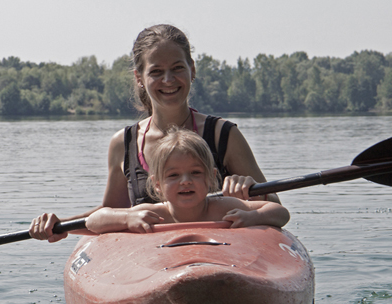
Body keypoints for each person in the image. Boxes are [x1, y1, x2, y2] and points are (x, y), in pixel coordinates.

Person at [30, 24, 279, 242]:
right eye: (156, 72)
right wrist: (61, 225)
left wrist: (254, 188)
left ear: (192, 69)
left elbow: (275, 207)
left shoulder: (223, 134)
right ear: (139, 77)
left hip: (222, 258)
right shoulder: (123, 143)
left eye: (177, 68)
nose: (168, 80)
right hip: (150, 262)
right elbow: (110, 213)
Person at [85, 128, 289, 234]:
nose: (185, 181)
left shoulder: (225, 208)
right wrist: (126, 219)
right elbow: (93, 221)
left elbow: (280, 212)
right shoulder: (154, 214)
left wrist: (252, 217)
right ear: (157, 184)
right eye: (173, 175)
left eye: (195, 173)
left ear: (211, 179)